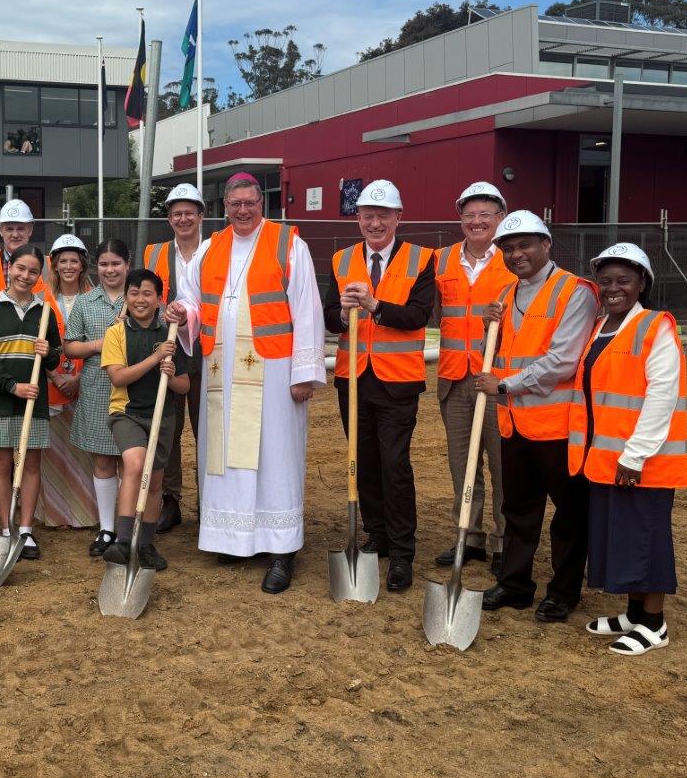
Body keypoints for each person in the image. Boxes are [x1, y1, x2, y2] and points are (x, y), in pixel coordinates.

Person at [166, 172, 325, 595]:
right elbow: (192, 297)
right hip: (222, 371)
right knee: (225, 452)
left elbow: (306, 307)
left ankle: (281, 547)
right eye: (234, 203)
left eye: (249, 203)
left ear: (262, 204)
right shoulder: (210, 247)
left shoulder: (289, 243)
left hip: (275, 371)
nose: (241, 210)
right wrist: (182, 312)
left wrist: (304, 373)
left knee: (274, 454)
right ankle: (234, 538)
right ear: (224, 208)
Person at [475, 211, 600, 623]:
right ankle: (515, 585)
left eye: (524, 245)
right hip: (516, 425)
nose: (516, 254)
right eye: (508, 249)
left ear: (546, 244)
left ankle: (563, 592)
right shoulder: (507, 296)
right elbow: (497, 355)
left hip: (559, 427)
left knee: (569, 513)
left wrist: (506, 386)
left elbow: (562, 360)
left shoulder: (575, 292)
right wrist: (485, 330)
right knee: (519, 509)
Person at [569, 244, 687, 655]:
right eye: (606, 281)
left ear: (642, 283)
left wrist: (635, 454)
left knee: (647, 538)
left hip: (642, 461)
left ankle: (654, 624)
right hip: (606, 459)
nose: (613, 288)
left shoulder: (657, 327)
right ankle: (634, 614)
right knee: (624, 537)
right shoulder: (603, 326)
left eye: (624, 280)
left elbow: (662, 395)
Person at [323, 179, 435, 592]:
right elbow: (329, 316)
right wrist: (342, 313)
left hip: (398, 381)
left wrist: (375, 307)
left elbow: (419, 315)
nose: (375, 223)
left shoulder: (421, 259)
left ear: (397, 218)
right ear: (358, 219)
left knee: (394, 464)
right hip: (352, 377)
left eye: (383, 215)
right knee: (364, 460)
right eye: (368, 215)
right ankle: (378, 535)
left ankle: (403, 551)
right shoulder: (341, 259)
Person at [432, 182, 516, 574]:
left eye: (486, 214)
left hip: (496, 380)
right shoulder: (441, 260)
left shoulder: (514, 261)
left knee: (502, 466)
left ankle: (504, 541)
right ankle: (469, 536)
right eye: (470, 215)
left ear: (500, 219)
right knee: (461, 464)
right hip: (453, 378)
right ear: (460, 219)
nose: (477, 221)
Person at [0, 244, 62, 558]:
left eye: (33, 271)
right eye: (20, 268)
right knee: (2, 463)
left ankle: (26, 530)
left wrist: (47, 352)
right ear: (8, 268)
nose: (26, 275)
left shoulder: (44, 311)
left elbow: (54, 360)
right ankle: (7, 528)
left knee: (31, 464)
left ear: (40, 276)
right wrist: (13, 387)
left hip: (32, 403)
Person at [101, 268, 190, 571]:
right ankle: (124, 541)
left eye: (147, 293)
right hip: (127, 413)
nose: (140, 299)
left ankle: (147, 544)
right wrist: (154, 360)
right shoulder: (116, 333)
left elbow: (184, 385)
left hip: (161, 416)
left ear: (159, 299)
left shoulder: (170, 332)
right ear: (126, 298)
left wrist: (169, 373)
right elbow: (118, 377)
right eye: (134, 293)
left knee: (154, 482)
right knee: (135, 465)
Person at [142, 182, 210, 534]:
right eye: (176, 213)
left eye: (189, 212)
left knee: (208, 430)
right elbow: (144, 297)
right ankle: (171, 499)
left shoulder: (216, 250)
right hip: (168, 349)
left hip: (208, 350)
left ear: (201, 215)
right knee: (168, 426)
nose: (183, 218)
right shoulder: (154, 254)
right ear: (168, 218)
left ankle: (209, 501)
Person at [64, 238, 131, 558]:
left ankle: (128, 527)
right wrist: (103, 343)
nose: (109, 270)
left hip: (132, 389)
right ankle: (107, 527)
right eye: (103, 264)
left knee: (131, 461)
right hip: (95, 387)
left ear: (127, 265)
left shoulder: (140, 298)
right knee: (104, 459)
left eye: (116, 263)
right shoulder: (86, 302)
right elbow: (71, 346)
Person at [40, 234, 98, 527]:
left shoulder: (95, 298)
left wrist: (77, 378)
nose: (68, 266)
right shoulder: (43, 299)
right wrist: (55, 374)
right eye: (62, 260)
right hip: (50, 383)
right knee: (52, 451)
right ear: (54, 265)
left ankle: (84, 511)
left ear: (82, 264)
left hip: (85, 382)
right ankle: (55, 512)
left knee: (84, 449)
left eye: (73, 260)